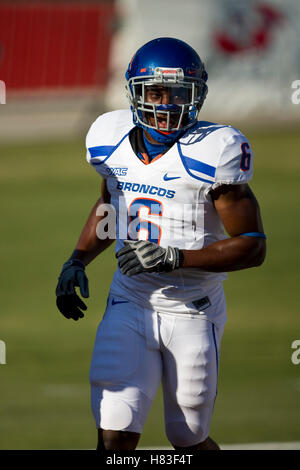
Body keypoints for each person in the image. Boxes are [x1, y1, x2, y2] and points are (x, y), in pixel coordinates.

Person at [55, 37, 266, 451]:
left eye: (178, 93)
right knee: (113, 436)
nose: (167, 105)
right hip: (129, 301)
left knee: (187, 437)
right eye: (156, 92)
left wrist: (176, 258)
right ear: (135, 92)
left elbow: (253, 245)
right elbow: (109, 205)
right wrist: (76, 259)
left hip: (192, 309)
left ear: (197, 96)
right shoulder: (108, 139)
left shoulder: (215, 150)